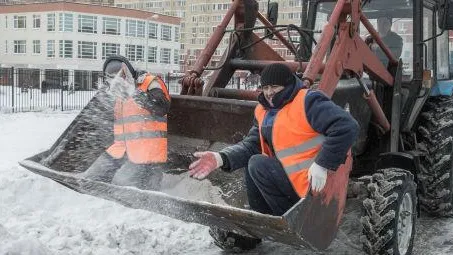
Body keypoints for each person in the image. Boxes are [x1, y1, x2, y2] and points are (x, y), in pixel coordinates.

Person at [188, 63, 359, 251]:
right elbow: (250, 145)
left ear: (288, 85)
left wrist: (323, 164)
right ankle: (259, 223)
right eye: (265, 87)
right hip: (289, 184)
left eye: (275, 87)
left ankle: (285, 222)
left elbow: (347, 126)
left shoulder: (308, 101)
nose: (269, 93)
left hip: (314, 191)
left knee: (257, 163)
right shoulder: (264, 111)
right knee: (253, 160)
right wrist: (220, 158)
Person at [82, 55, 171, 190]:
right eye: (111, 77)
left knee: (122, 183)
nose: (117, 80)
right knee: (91, 177)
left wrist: (134, 92)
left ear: (127, 71)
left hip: (148, 152)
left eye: (120, 75)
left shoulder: (150, 82)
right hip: (121, 149)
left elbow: (161, 107)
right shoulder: (118, 92)